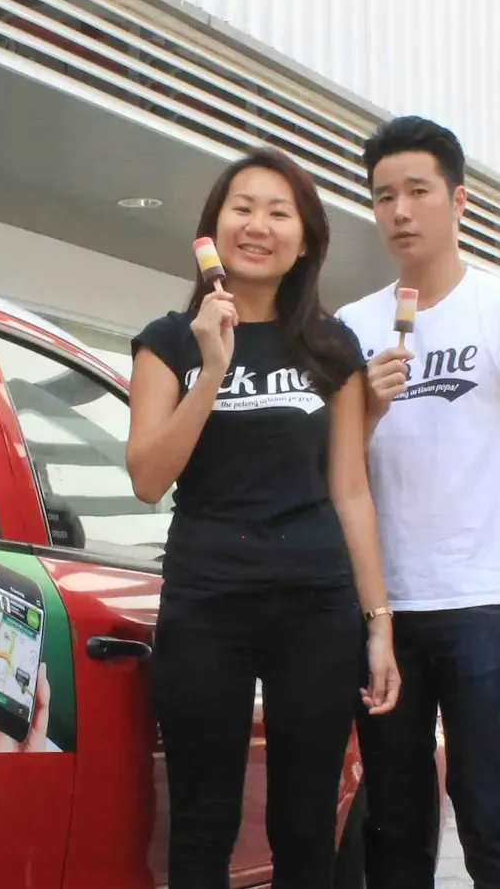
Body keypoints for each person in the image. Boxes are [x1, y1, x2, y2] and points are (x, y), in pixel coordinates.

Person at [124, 146, 399, 889]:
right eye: (242, 207)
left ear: (305, 241)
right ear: (213, 228)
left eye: (280, 213)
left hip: (315, 605)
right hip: (206, 602)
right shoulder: (168, 342)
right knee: (202, 823)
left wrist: (379, 622)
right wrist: (212, 368)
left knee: (305, 825)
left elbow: (351, 490)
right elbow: (148, 477)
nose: (259, 225)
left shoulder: (331, 346)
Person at [335, 115, 500, 889]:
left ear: (459, 199)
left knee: (488, 810)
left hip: (486, 598)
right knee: (394, 819)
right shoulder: (352, 327)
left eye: (418, 191)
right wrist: (369, 403)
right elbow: (340, 471)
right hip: (387, 607)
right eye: (384, 196)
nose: (400, 211)